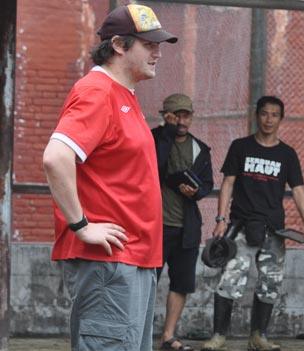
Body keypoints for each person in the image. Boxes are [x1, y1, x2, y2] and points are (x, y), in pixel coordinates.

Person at [41, 5, 176, 351]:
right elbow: (56, 158)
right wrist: (81, 225)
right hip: (111, 264)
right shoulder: (97, 92)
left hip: (132, 261)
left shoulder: (122, 94)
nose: (158, 53)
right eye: (149, 45)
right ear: (118, 44)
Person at [201, 96, 304, 351]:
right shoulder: (240, 147)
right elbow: (228, 183)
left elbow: (298, 190)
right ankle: (219, 336)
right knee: (230, 279)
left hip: (273, 229)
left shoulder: (287, 154)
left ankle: (258, 337)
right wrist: (220, 220)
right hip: (241, 226)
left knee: (270, 282)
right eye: (264, 114)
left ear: (280, 119)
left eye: (274, 115)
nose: (269, 119)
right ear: (257, 116)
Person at [152, 94, 214, 351]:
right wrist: (166, 133)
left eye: (186, 115)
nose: (181, 120)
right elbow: (155, 166)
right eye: (176, 115)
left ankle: (168, 337)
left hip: (187, 227)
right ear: (165, 115)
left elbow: (207, 185)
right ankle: (138, 332)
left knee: (181, 283)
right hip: (155, 226)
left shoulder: (200, 148)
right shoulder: (153, 139)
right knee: (145, 281)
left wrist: (196, 192)